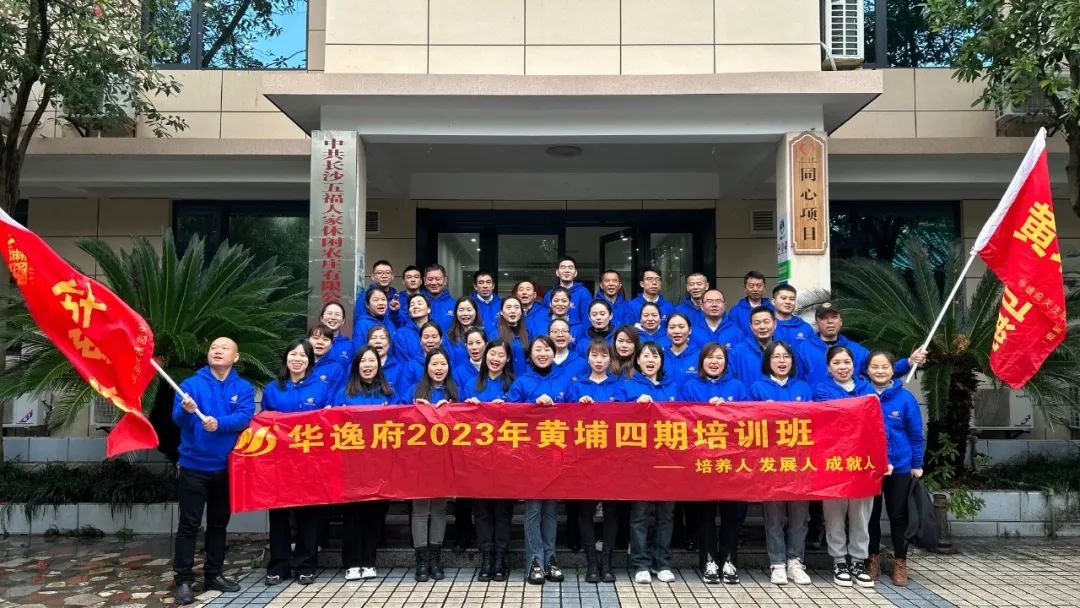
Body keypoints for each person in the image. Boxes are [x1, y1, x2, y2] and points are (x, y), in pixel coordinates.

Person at [171, 338, 255, 604]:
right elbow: (178, 420)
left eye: (224, 348)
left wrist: (219, 423)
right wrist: (186, 411)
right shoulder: (189, 385)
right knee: (189, 525)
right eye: (214, 348)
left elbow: (244, 417)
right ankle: (183, 580)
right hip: (193, 466)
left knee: (219, 524)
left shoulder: (243, 387)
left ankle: (214, 574)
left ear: (236, 357)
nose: (217, 351)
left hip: (227, 467)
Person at [677, 343, 750, 585]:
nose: (714, 362)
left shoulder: (737, 386)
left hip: (732, 460)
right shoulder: (690, 386)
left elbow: (750, 419)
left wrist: (728, 410)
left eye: (719, 357)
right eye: (709, 357)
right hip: (701, 460)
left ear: (726, 362)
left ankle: (729, 560)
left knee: (731, 513)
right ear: (701, 361)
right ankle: (708, 560)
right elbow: (681, 418)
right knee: (705, 513)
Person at [260, 340, 328, 587]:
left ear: (310, 361)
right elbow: (263, 422)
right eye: (293, 354)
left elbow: (328, 422)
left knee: (307, 515)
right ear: (286, 358)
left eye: (302, 355)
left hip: (309, 462)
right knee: (278, 515)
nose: (297, 359)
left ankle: (306, 565)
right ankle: (279, 565)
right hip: (279, 462)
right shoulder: (273, 388)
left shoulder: (321, 388)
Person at [509, 337, 572, 585]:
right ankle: (534, 561)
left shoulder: (565, 379)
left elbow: (575, 414)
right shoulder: (522, 382)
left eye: (547, 349)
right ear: (530, 355)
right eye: (538, 349)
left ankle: (550, 558)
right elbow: (510, 416)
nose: (543, 353)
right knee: (533, 509)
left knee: (551, 510)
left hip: (557, 455)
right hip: (530, 457)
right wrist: (531, 407)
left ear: (554, 352)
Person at [813, 346, 877, 588]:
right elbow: (833, 418)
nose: (842, 367)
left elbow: (875, 425)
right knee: (834, 514)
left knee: (861, 514)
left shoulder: (867, 388)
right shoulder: (821, 390)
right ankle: (839, 561)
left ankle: (858, 561)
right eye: (837, 363)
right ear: (829, 367)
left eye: (846, 362)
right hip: (833, 461)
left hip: (862, 461)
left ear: (854, 364)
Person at [750, 341, 813, 586]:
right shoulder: (757, 388)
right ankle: (777, 563)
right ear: (768, 361)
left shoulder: (803, 388)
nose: (781, 361)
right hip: (770, 462)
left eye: (786, 356)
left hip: (799, 462)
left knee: (800, 515)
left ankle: (795, 561)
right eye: (776, 357)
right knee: (774, 515)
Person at [334, 346, 396, 581]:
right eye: (363, 361)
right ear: (356, 365)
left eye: (372, 361)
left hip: (381, 464)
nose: (368, 365)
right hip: (350, 465)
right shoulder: (344, 393)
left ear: (379, 365)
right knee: (352, 514)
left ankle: (369, 560)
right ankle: (352, 562)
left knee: (375, 514)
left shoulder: (389, 392)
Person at [865, 351, 925, 588]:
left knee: (899, 515)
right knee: (870, 515)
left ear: (893, 370)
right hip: (869, 467)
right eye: (874, 367)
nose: (879, 371)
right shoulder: (862, 395)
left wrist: (916, 464)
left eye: (885, 367)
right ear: (867, 370)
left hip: (900, 466)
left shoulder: (905, 399)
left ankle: (900, 561)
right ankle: (872, 559)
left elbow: (915, 434)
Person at [619, 342, 677, 585]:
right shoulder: (627, 386)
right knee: (640, 514)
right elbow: (614, 419)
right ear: (638, 361)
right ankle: (640, 563)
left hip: (669, 461)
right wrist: (633, 408)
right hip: (639, 461)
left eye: (655, 355)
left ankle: (662, 562)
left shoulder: (672, 386)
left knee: (666, 514)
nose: (650, 360)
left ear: (661, 361)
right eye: (645, 356)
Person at [567, 339, 622, 583]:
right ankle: (591, 562)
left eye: (603, 356)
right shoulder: (576, 386)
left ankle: (606, 562)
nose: (599, 360)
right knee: (585, 511)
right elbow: (564, 420)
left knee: (612, 511)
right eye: (594, 355)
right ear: (587, 358)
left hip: (613, 459)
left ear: (610, 359)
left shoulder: (619, 387)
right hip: (584, 459)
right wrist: (577, 408)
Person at [461, 339, 516, 581]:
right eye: (492, 354)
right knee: (482, 511)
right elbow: (458, 420)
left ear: (508, 359)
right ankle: (486, 556)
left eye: (501, 355)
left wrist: (508, 408)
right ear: (485, 356)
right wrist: (468, 407)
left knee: (503, 511)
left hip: (507, 459)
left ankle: (501, 556)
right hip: (478, 459)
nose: (495, 359)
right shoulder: (471, 383)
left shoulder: (514, 385)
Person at [402, 349, 457, 582]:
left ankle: (436, 558)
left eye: (443, 364)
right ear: (426, 367)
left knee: (439, 510)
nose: (438, 368)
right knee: (420, 511)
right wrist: (414, 408)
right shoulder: (414, 391)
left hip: (446, 460)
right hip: (419, 461)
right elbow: (396, 418)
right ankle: (421, 561)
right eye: (434, 364)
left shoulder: (455, 391)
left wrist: (452, 408)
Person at [796, 303, 924, 387]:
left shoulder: (856, 350)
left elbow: (879, 369)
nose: (830, 321)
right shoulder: (802, 349)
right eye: (824, 318)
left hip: (850, 410)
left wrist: (909, 362)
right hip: (817, 410)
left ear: (841, 322)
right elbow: (796, 382)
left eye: (834, 317)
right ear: (816, 324)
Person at [729, 306, 778, 384]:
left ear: (775, 324)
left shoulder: (783, 350)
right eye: (757, 323)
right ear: (751, 327)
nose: (762, 327)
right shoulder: (737, 352)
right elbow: (730, 383)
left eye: (766, 322)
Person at [367, 325, 421, 395]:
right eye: (374, 338)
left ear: (389, 343)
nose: (378, 341)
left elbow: (401, 395)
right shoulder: (360, 367)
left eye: (382, 338)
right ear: (368, 343)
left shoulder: (400, 369)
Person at [542, 256, 592, 326]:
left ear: (575, 273)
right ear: (557, 272)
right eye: (563, 267)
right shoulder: (549, 294)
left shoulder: (584, 293)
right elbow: (545, 319)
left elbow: (587, 321)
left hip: (577, 332)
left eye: (570, 268)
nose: (567, 270)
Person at [353, 259, 400, 330]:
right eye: (379, 273)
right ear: (372, 276)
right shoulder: (365, 297)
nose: (384, 276)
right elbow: (360, 324)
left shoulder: (397, 297)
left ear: (392, 276)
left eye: (387, 273)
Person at [728, 271, 774, 338]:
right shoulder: (735, 311)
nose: (755, 289)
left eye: (759, 286)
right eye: (751, 286)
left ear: (764, 288)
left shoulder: (773, 309)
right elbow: (734, 336)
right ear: (745, 288)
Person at [353, 288, 396, 355]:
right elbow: (359, 352)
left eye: (383, 299)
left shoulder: (390, 322)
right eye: (376, 300)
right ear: (367, 305)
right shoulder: (362, 324)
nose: (381, 303)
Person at [660, 313, 699, 387]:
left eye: (681, 327)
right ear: (667, 331)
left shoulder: (699, 355)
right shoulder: (660, 355)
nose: (676, 331)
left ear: (690, 330)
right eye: (672, 327)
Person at [308, 324, 347, 395]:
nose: (320, 342)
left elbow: (337, 394)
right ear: (308, 340)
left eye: (325, 339)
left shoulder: (336, 368)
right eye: (316, 338)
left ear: (331, 345)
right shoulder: (300, 363)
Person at [395, 293, 434, 363]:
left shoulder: (436, 331)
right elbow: (402, 362)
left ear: (429, 309)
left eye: (419, 303)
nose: (415, 306)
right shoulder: (401, 334)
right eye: (412, 305)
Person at [496, 296, 530, 374]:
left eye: (516, 307)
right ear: (501, 312)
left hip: (524, 378)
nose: (513, 311)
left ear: (521, 311)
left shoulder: (527, 333)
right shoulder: (495, 335)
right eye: (508, 307)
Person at [446, 297, 481, 366]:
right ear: (456, 313)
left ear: (476, 312)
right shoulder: (449, 338)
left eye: (469, 310)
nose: (465, 313)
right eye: (461, 310)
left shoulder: (484, 335)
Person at [319, 301, 354, 368]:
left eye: (337, 314)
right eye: (329, 313)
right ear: (321, 318)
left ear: (343, 321)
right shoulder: (311, 342)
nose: (333, 317)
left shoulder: (350, 345)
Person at [423, 264, 456, 331]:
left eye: (438, 279)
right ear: (424, 281)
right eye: (430, 279)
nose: (434, 283)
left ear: (445, 280)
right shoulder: (418, 304)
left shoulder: (454, 304)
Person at [470, 271, 502, 336]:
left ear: (493, 286)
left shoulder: (502, 304)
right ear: (475, 286)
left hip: (499, 342)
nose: (485, 286)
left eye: (488, 282)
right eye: (481, 283)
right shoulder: (469, 304)